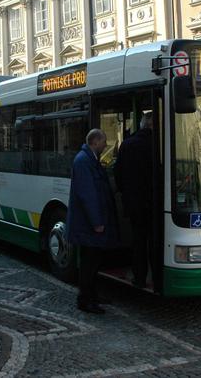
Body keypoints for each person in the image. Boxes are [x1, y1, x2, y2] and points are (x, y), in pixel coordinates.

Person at [66, 129, 120, 314]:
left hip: (90, 225)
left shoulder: (89, 159)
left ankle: (93, 295)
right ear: (95, 141)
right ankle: (85, 300)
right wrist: (97, 222)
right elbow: (87, 195)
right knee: (89, 265)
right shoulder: (83, 161)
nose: (105, 145)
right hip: (87, 226)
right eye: (104, 142)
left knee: (94, 263)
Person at [115, 112, 154, 289]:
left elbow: (118, 174)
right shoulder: (159, 143)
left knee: (138, 240)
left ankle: (139, 277)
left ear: (141, 125)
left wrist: (126, 193)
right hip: (155, 203)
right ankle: (157, 277)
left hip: (133, 202)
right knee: (154, 241)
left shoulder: (127, 144)